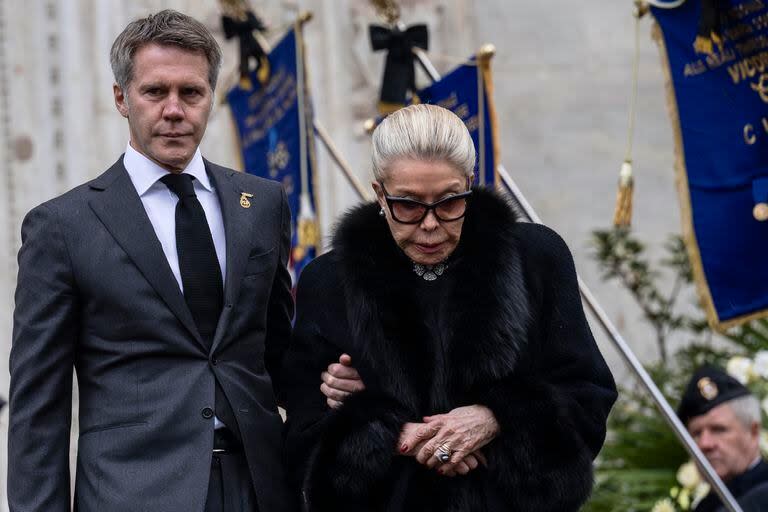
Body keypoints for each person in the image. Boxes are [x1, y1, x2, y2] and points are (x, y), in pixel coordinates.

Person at [5, 9, 361, 511]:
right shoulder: (63, 227)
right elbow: (38, 407)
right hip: (132, 494)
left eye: (191, 93)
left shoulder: (261, 205)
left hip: (259, 488)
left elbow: (278, 354)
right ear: (121, 98)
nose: (174, 109)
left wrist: (334, 381)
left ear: (210, 99)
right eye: (155, 92)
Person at [283, 104, 618, 511]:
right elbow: (304, 431)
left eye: (449, 202)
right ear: (379, 195)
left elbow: (588, 396)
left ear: (471, 186)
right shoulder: (330, 281)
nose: (429, 225)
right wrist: (395, 434)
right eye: (407, 205)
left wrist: (496, 417)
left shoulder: (536, 258)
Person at [678, 365, 768, 512]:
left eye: (718, 429)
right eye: (696, 434)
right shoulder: (704, 507)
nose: (704, 444)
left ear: (753, 432)